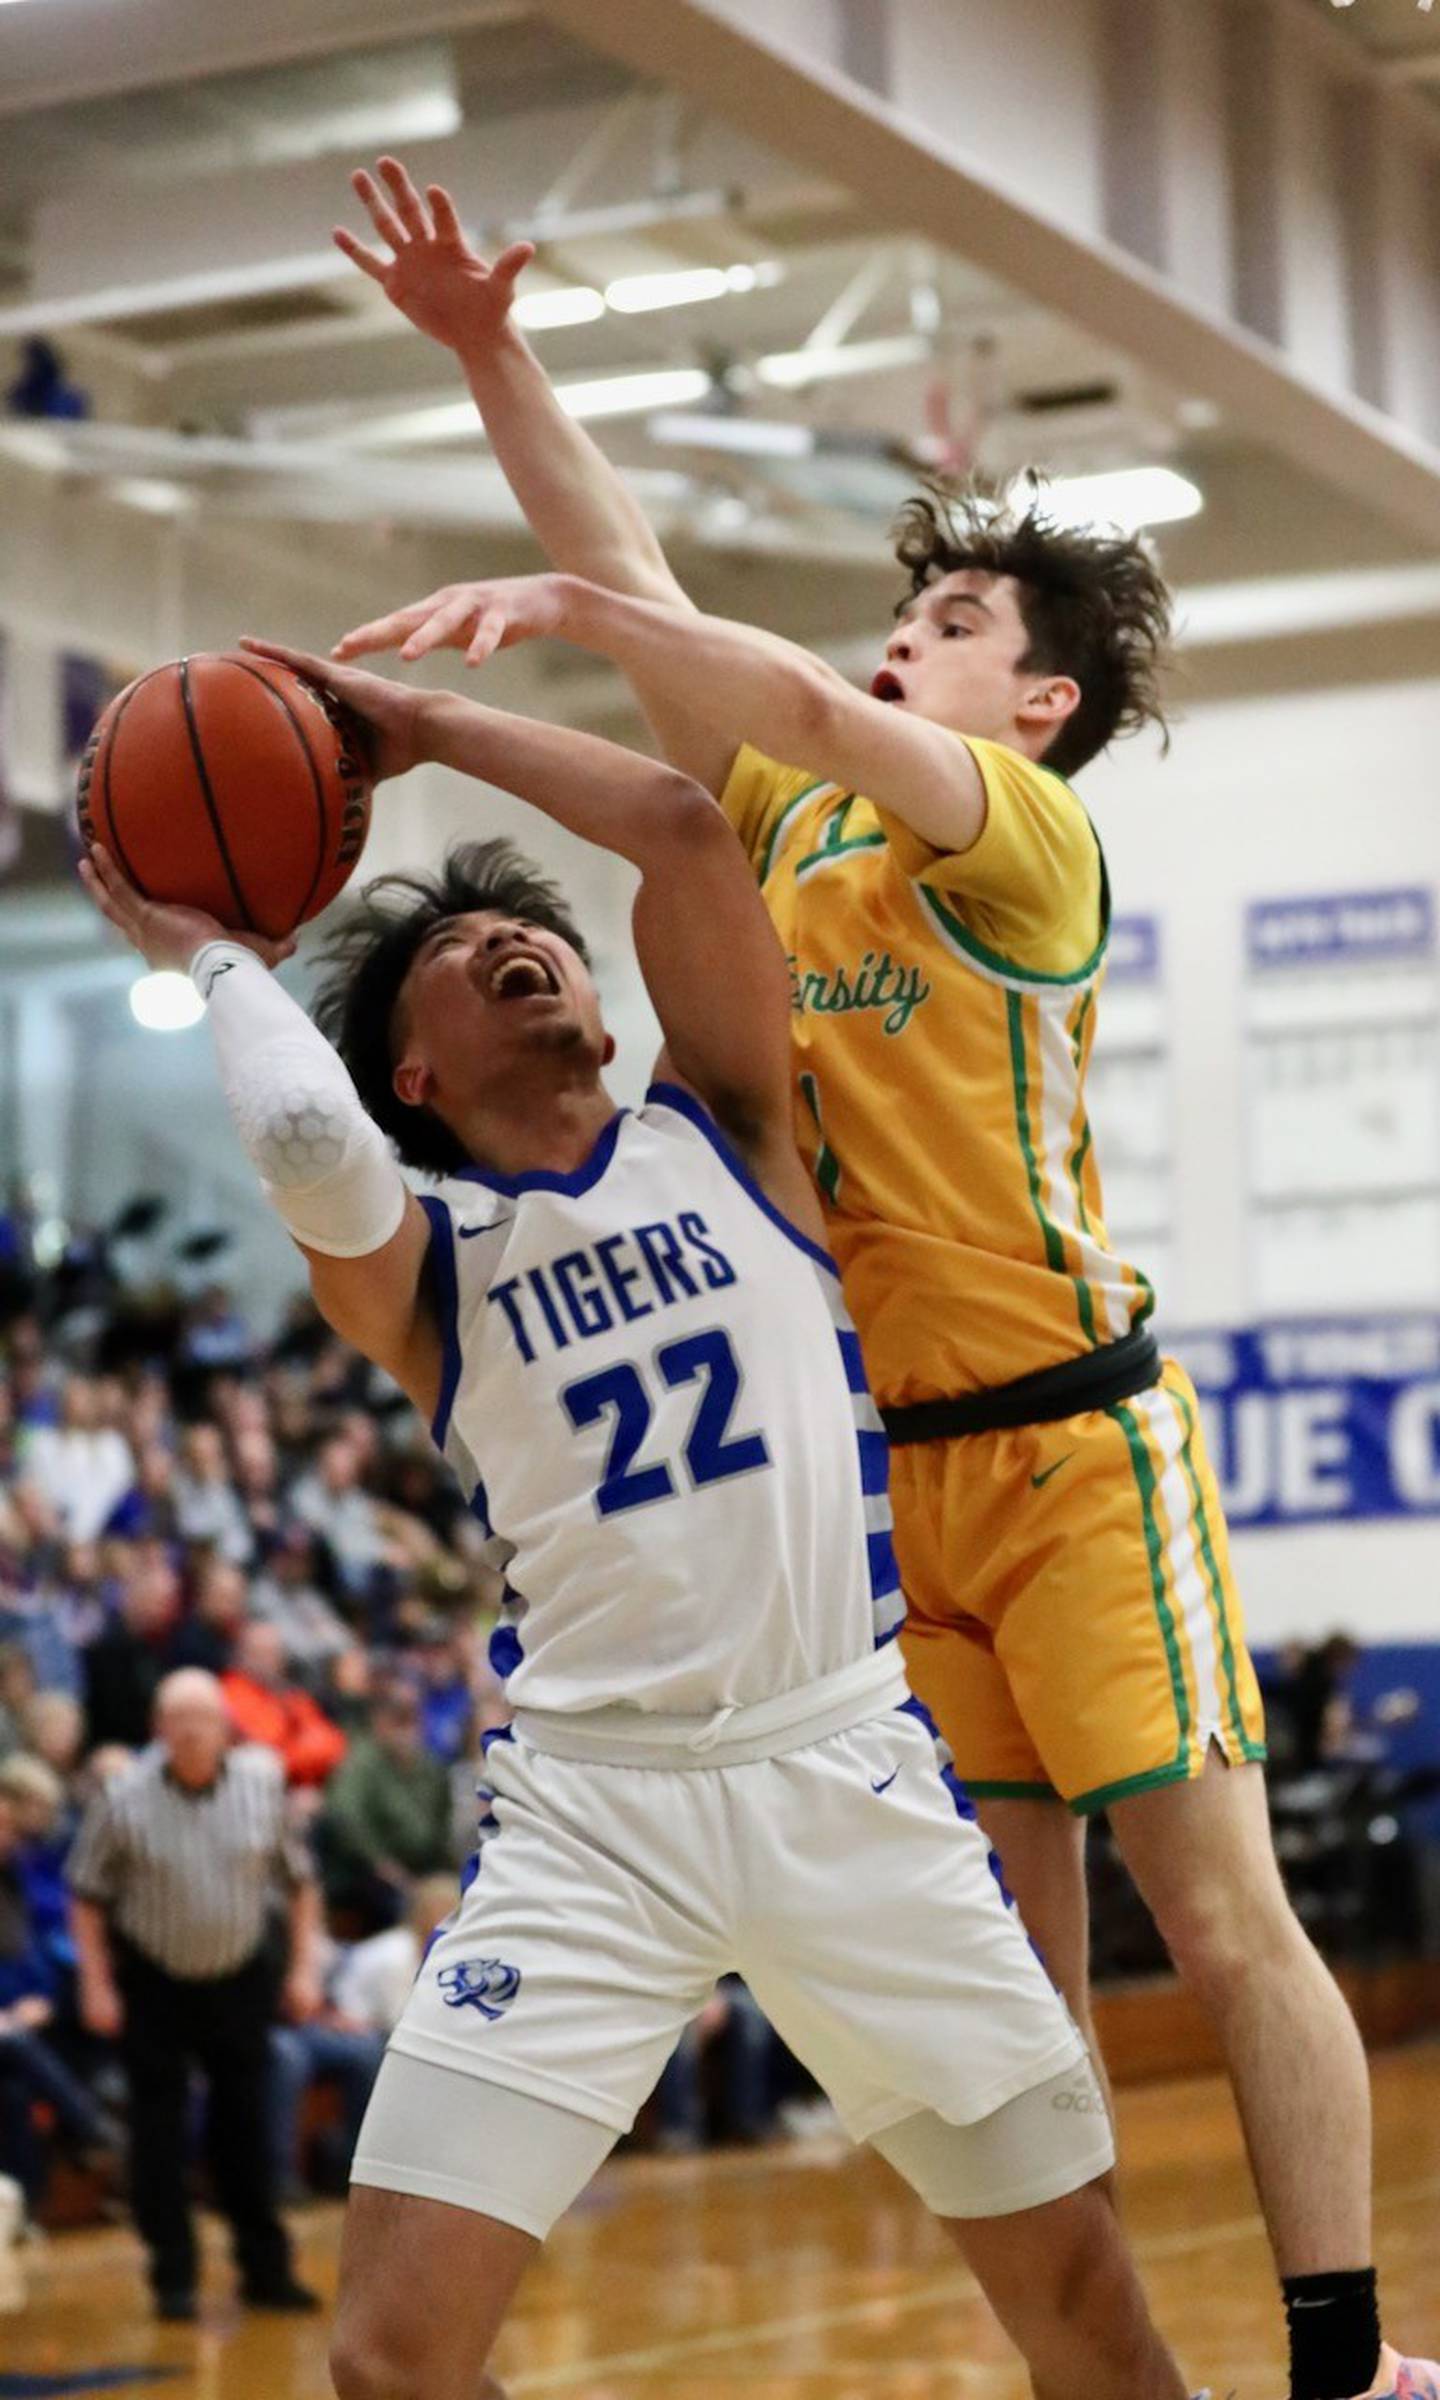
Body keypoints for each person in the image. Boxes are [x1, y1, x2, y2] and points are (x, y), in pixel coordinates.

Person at [323, 157, 1437, 2400]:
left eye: (951, 634)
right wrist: (491, 355)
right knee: (1001, 1987)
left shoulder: (1015, 835)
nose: (899, 640)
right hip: (881, 1482)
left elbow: (731, 672)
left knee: (1214, 1905)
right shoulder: (804, 824)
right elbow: (652, 598)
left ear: (1030, 710)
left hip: (1071, 1433)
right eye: (908, 621)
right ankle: (1088, 2355)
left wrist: (585, 612)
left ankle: (1345, 2359)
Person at [80, 653, 1193, 2400]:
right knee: (388, 2363)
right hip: (596, 1818)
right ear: (420, 1078)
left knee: (1092, 2315)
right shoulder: (425, 1266)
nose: (502, 942)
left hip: (848, 1770)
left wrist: (432, 726)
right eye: (450, 956)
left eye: (533, 938)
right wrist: (210, 955)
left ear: (606, 1013)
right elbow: (301, 1122)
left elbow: (682, 826)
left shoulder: (734, 1132)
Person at [67, 1668, 322, 2320]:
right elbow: (88, 1896)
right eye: (175, 1718)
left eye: (200, 1718)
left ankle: (265, 2269)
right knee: (158, 2133)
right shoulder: (122, 1798)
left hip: (239, 1974)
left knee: (247, 2123)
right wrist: (96, 1983)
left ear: (223, 1727)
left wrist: (303, 1969)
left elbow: (300, 1884)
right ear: (158, 1726)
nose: (187, 1730)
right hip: (153, 1979)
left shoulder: (263, 1789)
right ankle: (172, 2276)